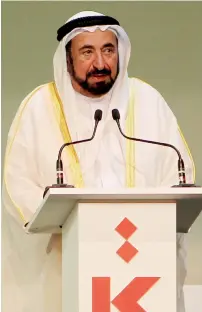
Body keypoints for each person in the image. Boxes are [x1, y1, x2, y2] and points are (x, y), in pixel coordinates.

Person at [2, 10, 195, 312]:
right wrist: (59, 216)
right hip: (66, 265)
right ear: (68, 58)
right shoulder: (38, 108)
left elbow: (178, 171)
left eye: (108, 49)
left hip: (141, 262)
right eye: (87, 52)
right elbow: (17, 185)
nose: (101, 63)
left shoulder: (148, 101)